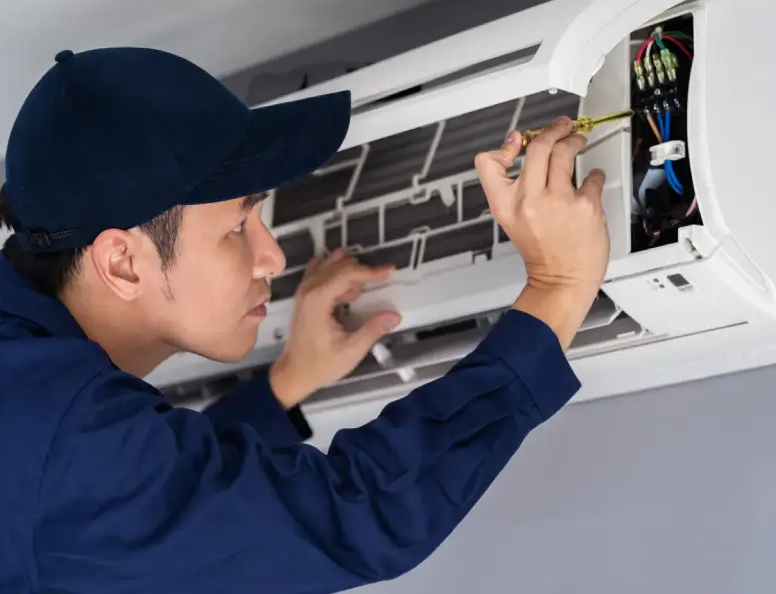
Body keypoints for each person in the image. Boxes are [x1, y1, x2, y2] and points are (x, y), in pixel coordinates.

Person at [0, 47, 609, 594]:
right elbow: (352, 517)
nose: (274, 257)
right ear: (122, 263)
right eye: (239, 226)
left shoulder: (35, 401)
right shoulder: (57, 439)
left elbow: (142, 501)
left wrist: (285, 385)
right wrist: (558, 289)